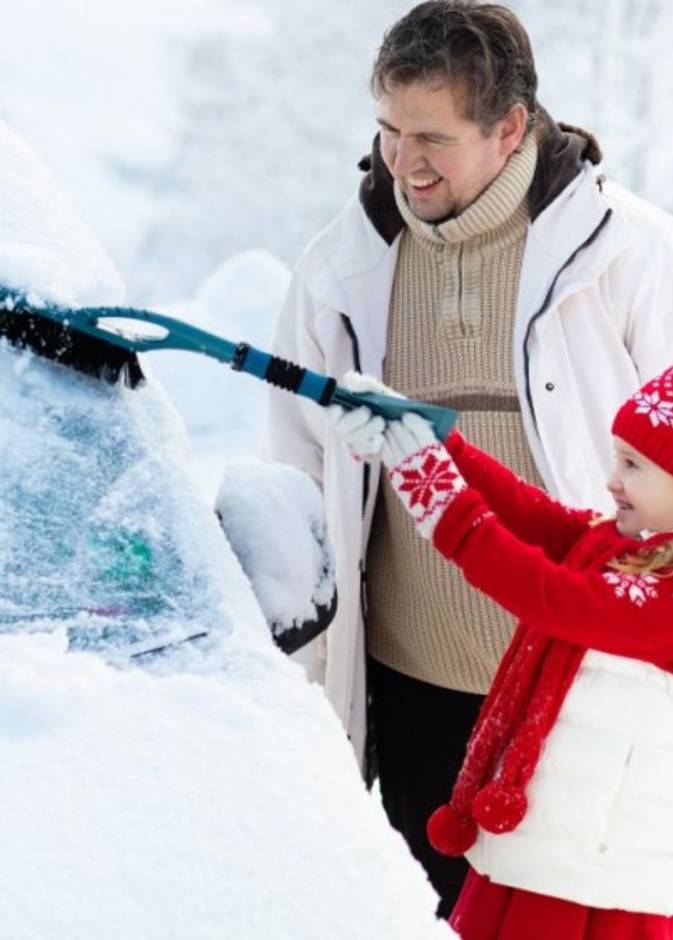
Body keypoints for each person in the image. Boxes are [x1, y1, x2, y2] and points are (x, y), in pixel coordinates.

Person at [262, 0, 673, 915]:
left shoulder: (631, 255)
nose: (401, 160)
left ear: (509, 128)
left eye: (432, 138)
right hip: (408, 690)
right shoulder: (339, 268)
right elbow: (298, 475)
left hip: (583, 705)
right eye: (388, 130)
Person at [332, 363, 673, 939]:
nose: (612, 481)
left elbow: (551, 597)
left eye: (633, 466)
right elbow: (535, 517)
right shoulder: (623, 545)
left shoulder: (663, 596)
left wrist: (439, 498)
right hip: (545, 850)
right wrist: (436, 443)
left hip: (596, 882)